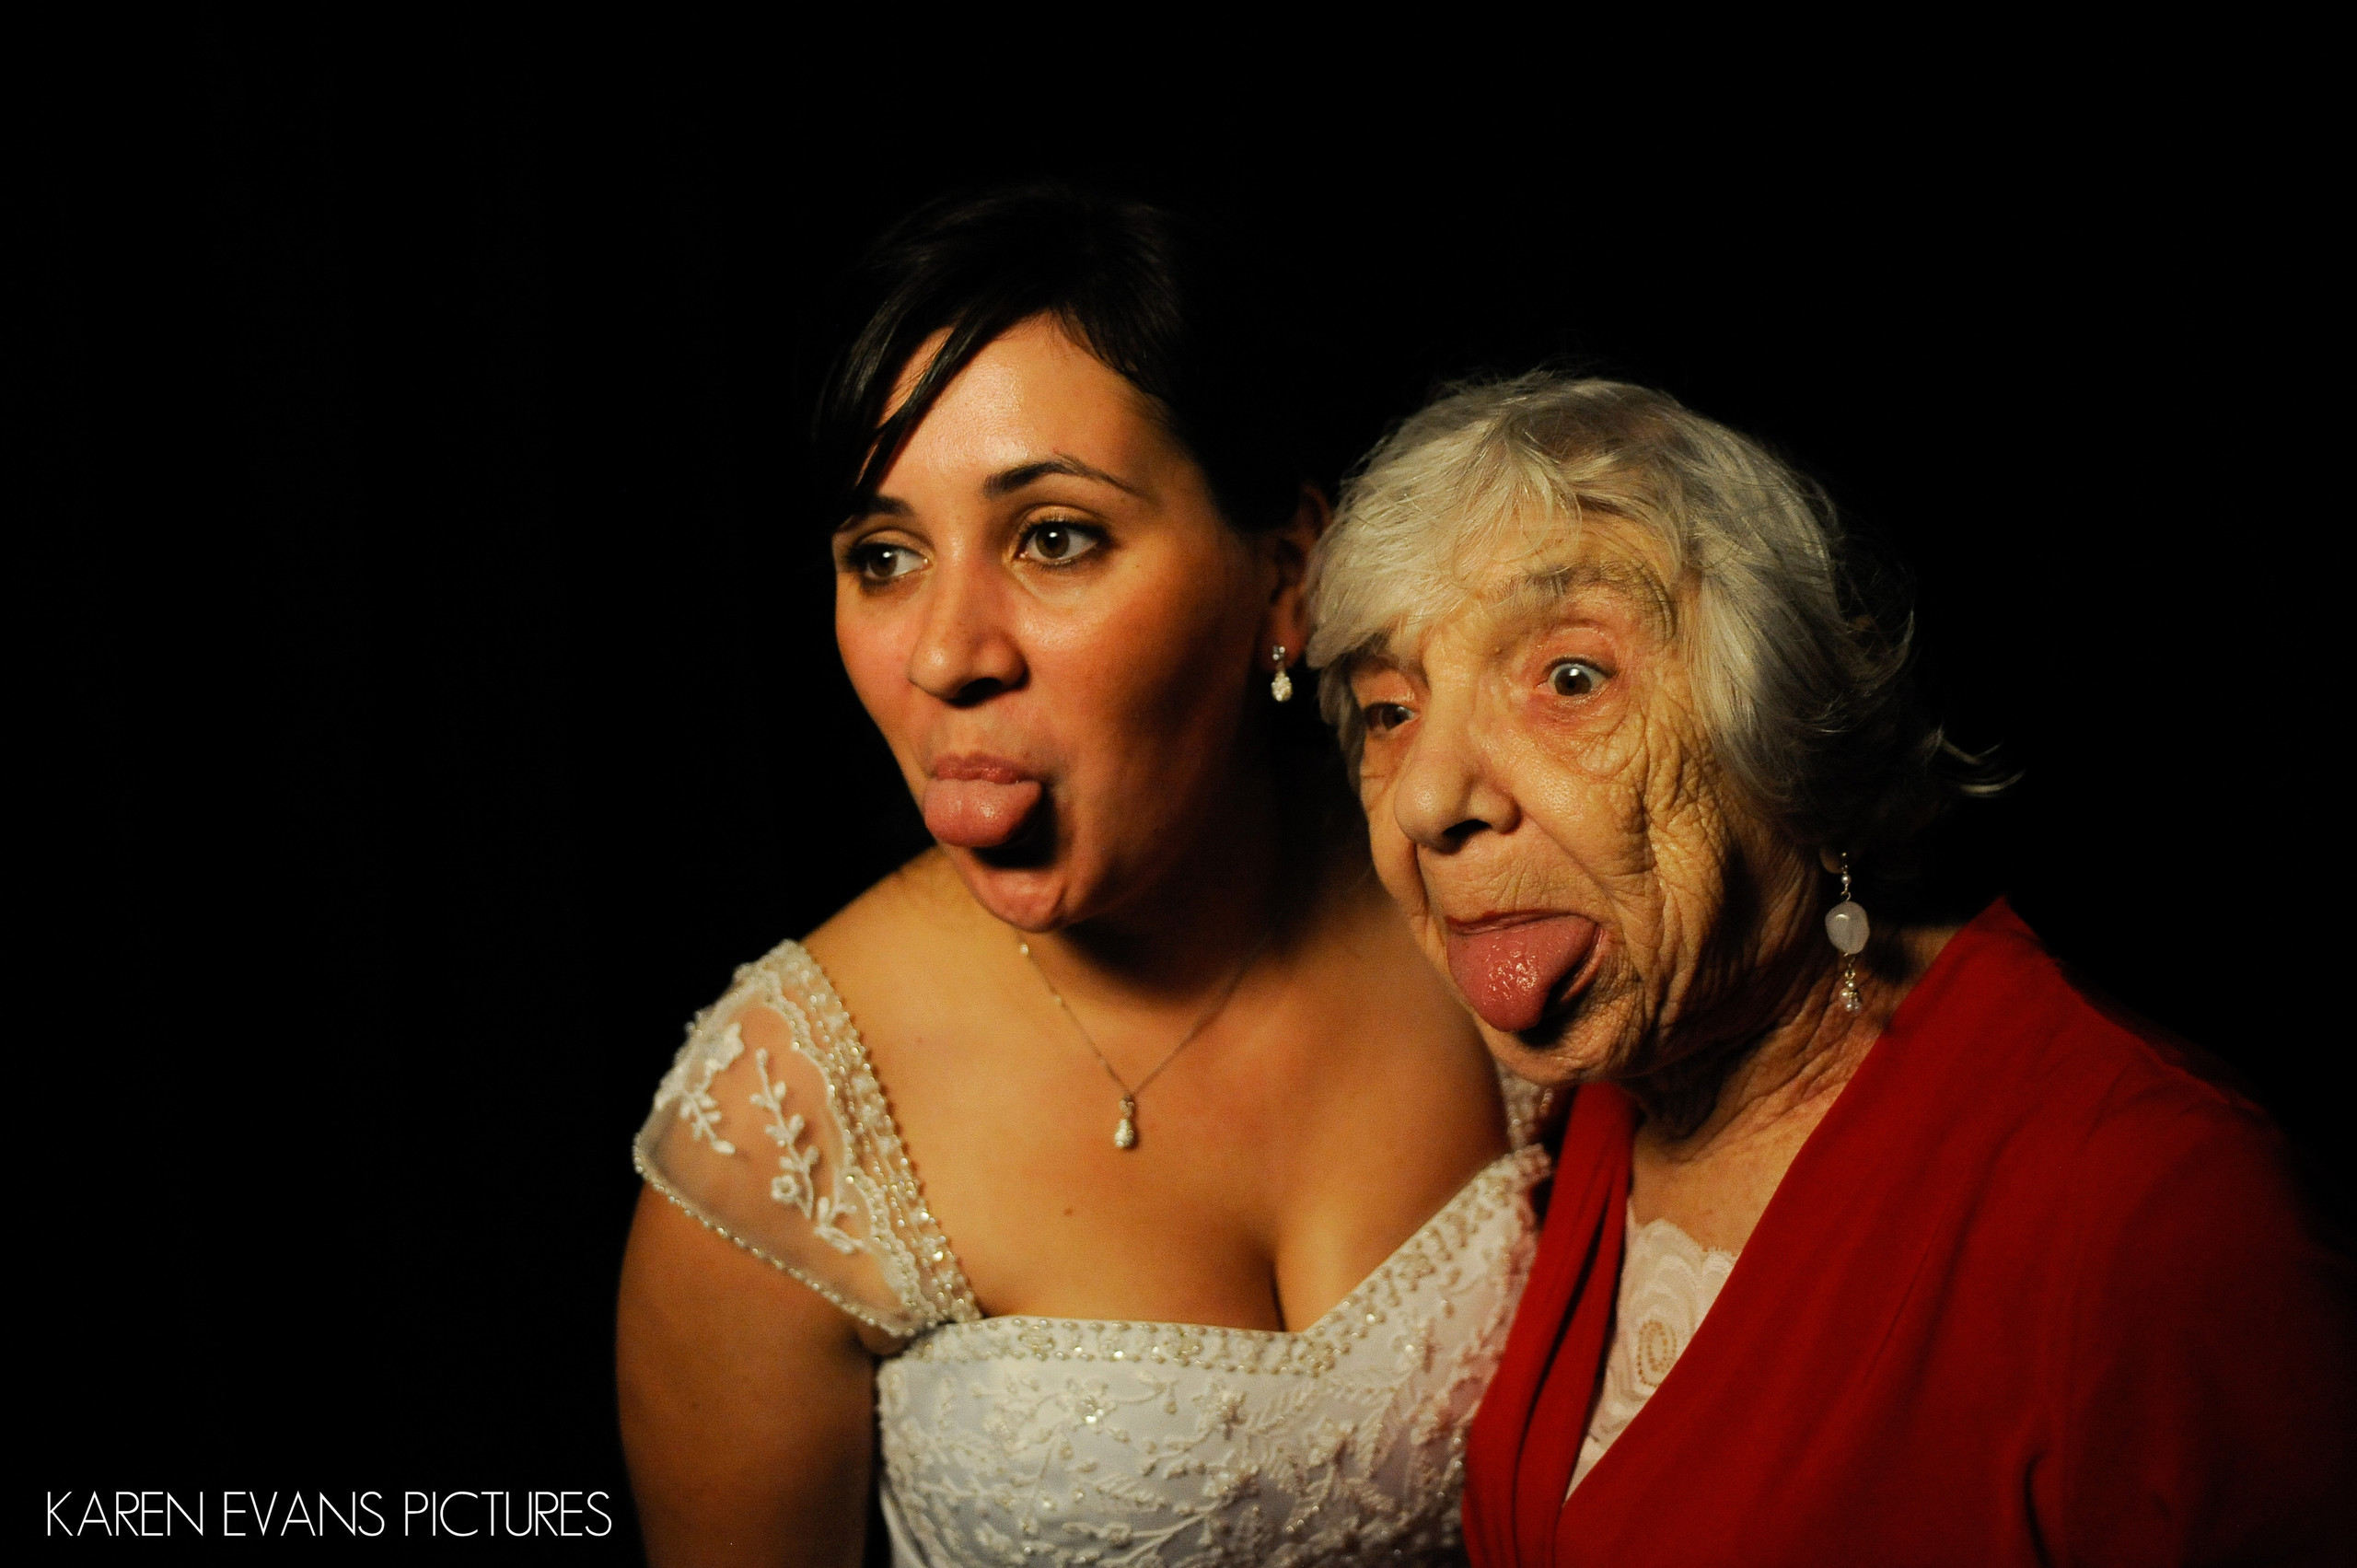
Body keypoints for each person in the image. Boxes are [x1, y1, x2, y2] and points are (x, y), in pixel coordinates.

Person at [614, 188, 1549, 1568]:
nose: (948, 655)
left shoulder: (1471, 886)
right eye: (884, 557)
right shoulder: (775, 1136)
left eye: (1053, 537)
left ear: (1286, 576)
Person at [1305, 373, 2357, 1565]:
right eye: (1390, 710)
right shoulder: (1600, 1093)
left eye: (1572, 678)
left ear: (1792, 727)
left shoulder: (2160, 1216)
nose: (1428, 800)